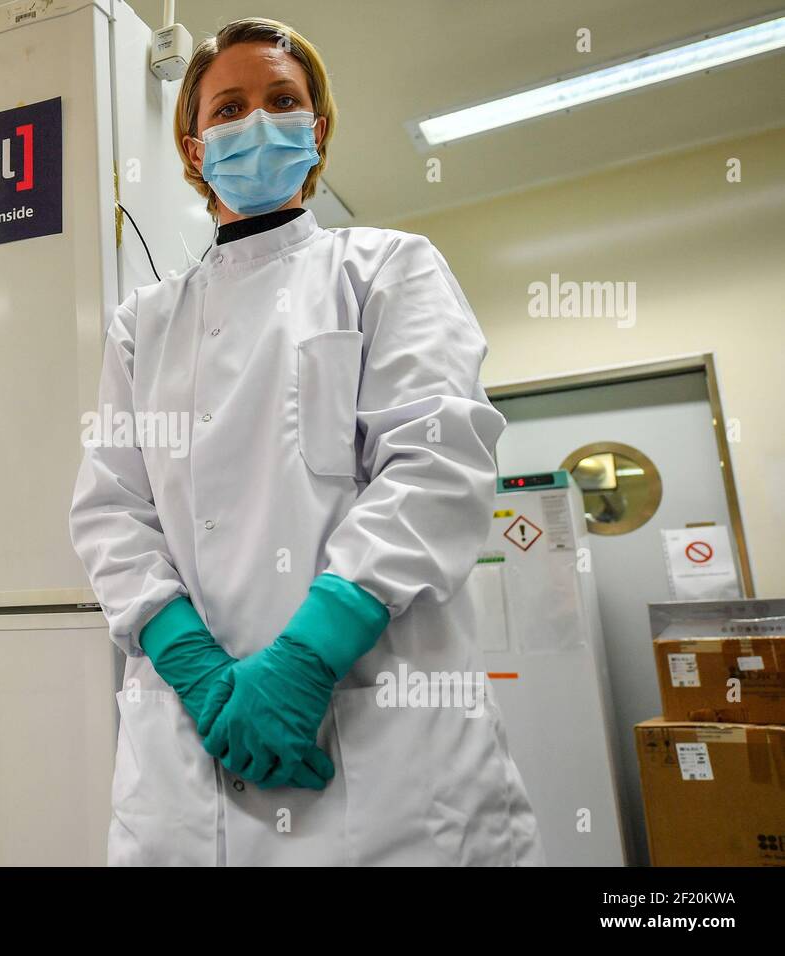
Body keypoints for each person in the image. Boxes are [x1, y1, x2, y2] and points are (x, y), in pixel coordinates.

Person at [70, 17, 544, 866]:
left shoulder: (389, 268)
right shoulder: (143, 325)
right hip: (190, 754)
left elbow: (436, 466)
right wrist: (196, 668)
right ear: (192, 145)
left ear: (315, 130)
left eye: (283, 100)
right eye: (230, 108)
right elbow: (110, 510)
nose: (257, 120)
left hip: (384, 757)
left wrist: (305, 657)